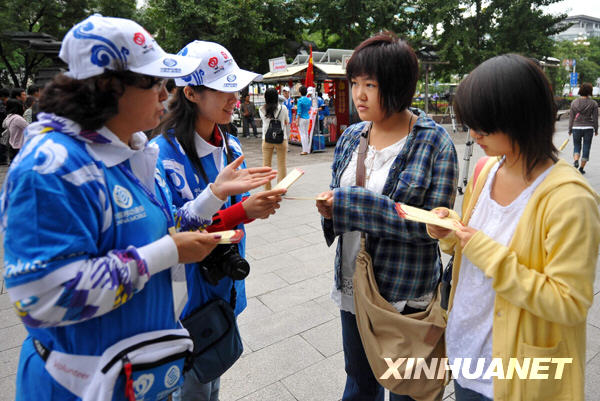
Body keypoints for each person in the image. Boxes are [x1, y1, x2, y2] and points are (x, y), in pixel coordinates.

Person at [1, 15, 275, 401]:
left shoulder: (132, 152)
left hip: (138, 374)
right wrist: (167, 253)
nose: (166, 94)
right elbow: (41, 299)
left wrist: (215, 194)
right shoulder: (51, 167)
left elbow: (168, 224)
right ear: (111, 87)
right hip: (79, 384)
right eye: (154, 83)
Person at [427, 54, 600, 401]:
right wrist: (449, 232)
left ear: (520, 118)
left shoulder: (569, 200)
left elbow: (569, 302)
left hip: (516, 376)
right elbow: (470, 241)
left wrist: (479, 248)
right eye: (471, 124)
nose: (474, 135)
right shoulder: (487, 169)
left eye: (484, 125)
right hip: (465, 353)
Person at [315, 32, 458, 401]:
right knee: (359, 383)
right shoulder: (350, 136)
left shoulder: (434, 142)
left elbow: (430, 227)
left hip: (404, 292)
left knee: (408, 390)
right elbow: (340, 206)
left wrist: (348, 204)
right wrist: (330, 209)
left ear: (395, 86)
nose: (359, 94)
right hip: (353, 281)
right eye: (355, 83)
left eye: (370, 85)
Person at [152, 40, 286, 401]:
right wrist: (241, 210)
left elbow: (234, 219)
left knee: (213, 377)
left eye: (236, 87)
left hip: (224, 283)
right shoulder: (161, 155)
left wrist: (255, 206)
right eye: (225, 88)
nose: (235, 97)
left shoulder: (231, 146)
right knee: (192, 383)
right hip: (184, 297)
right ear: (191, 92)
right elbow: (173, 234)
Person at [260, 87, 289, 189]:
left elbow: (264, 122)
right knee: (282, 164)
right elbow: (286, 122)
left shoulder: (262, 109)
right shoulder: (283, 108)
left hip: (267, 139)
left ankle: (267, 188)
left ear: (266, 98)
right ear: (277, 97)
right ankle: (281, 188)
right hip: (281, 138)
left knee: (266, 164)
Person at [569, 82, 598, 174]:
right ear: (590, 91)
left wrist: (570, 129)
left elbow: (571, 117)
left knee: (577, 145)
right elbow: (595, 118)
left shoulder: (574, 102)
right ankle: (581, 168)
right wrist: (596, 129)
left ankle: (576, 160)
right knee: (586, 146)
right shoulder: (593, 103)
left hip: (576, 127)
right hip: (588, 128)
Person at [296, 85, 312, 155]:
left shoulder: (299, 100)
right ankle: (307, 149)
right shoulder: (309, 100)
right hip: (307, 118)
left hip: (301, 118)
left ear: (300, 92)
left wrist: (297, 120)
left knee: (302, 134)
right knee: (306, 134)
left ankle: (304, 150)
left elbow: (299, 112)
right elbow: (309, 108)